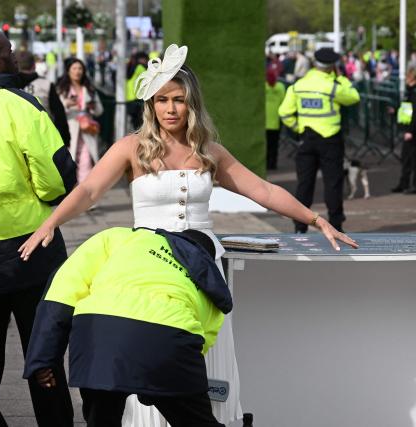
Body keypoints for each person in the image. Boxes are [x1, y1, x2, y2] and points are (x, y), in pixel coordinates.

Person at [19, 44, 359, 426]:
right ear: (150, 104)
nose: (170, 108)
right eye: (162, 99)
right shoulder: (131, 148)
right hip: (146, 265)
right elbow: (88, 191)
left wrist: (317, 219)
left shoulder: (210, 151)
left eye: (178, 100)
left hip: (200, 269)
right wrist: (50, 221)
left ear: (191, 103)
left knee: (197, 359)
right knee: (147, 346)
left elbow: (263, 191)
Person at [0, 28, 76, 427]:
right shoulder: (24, 106)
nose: (14, 57)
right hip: (32, 250)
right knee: (43, 356)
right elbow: (57, 180)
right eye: (8, 52)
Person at [24, 227, 229, 427]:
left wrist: (42, 358)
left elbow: (61, 292)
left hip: (99, 334)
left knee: (102, 420)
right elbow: (201, 344)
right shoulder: (210, 287)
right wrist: (154, 385)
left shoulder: (117, 237)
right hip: (169, 340)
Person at [279, 47, 361, 233]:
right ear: (332, 66)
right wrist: (340, 77)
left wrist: (298, 127)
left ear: (315, 64)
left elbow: (284, 112)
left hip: (306, 139)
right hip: (330, 140)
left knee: (304, 183)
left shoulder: (299, 85)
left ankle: (300, 227)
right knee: (333, 183)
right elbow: (354, 97)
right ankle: (336, 225)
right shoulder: (333, 86)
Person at [57, 57, 103, 183]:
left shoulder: (89, 89)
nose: (78, 71)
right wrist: (66, 104)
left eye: (80, 68)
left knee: (86, 161)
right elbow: (57, 110)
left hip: (87, 129)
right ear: (68, 71)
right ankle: (72, 193)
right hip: (70, 130)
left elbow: (100, 110)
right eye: (74, 68)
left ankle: (84, 194)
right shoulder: (63, 89)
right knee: (69, 163)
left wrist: (92, 107)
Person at [15, 49, 71, 146]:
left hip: (17, 139)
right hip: (44, 139)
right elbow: (59, 114)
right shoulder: (46, 85)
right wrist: (65, 140)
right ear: (34, 65)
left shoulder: (8, 86)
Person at [392, 66, 416, 194]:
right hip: (409, 128)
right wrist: (395, 112)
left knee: (411, 159)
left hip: (412, 131)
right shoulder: (410, 92)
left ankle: (411, 185)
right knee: (406, 158)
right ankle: (404, 183)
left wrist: (410, 131)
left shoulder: (414, 92)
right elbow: (407, 109)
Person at [265, 68, 286, 170]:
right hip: (275, 120)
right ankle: (273, 164)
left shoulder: (264, 87)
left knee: (266, 144)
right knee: (274, 144)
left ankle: (266, 163)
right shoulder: (280, 87)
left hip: (265, 121)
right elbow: (283, 100)